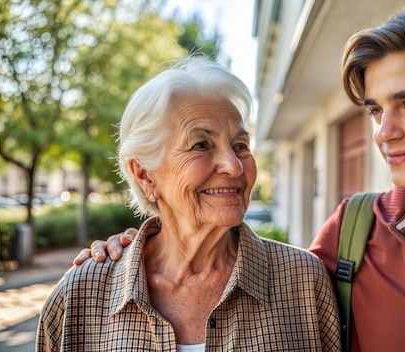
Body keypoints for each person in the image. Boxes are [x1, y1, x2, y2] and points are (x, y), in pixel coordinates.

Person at [75, 1, 405, 351]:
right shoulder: (350, 234)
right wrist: (142, 247)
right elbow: (236, 274)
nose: (385, 131)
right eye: (378, 109)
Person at [37, 56, 341, 351]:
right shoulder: (82, 294)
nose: (233, 166)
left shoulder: (303, 281)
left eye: (240, 146)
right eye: (201, 145)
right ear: (144, 174)